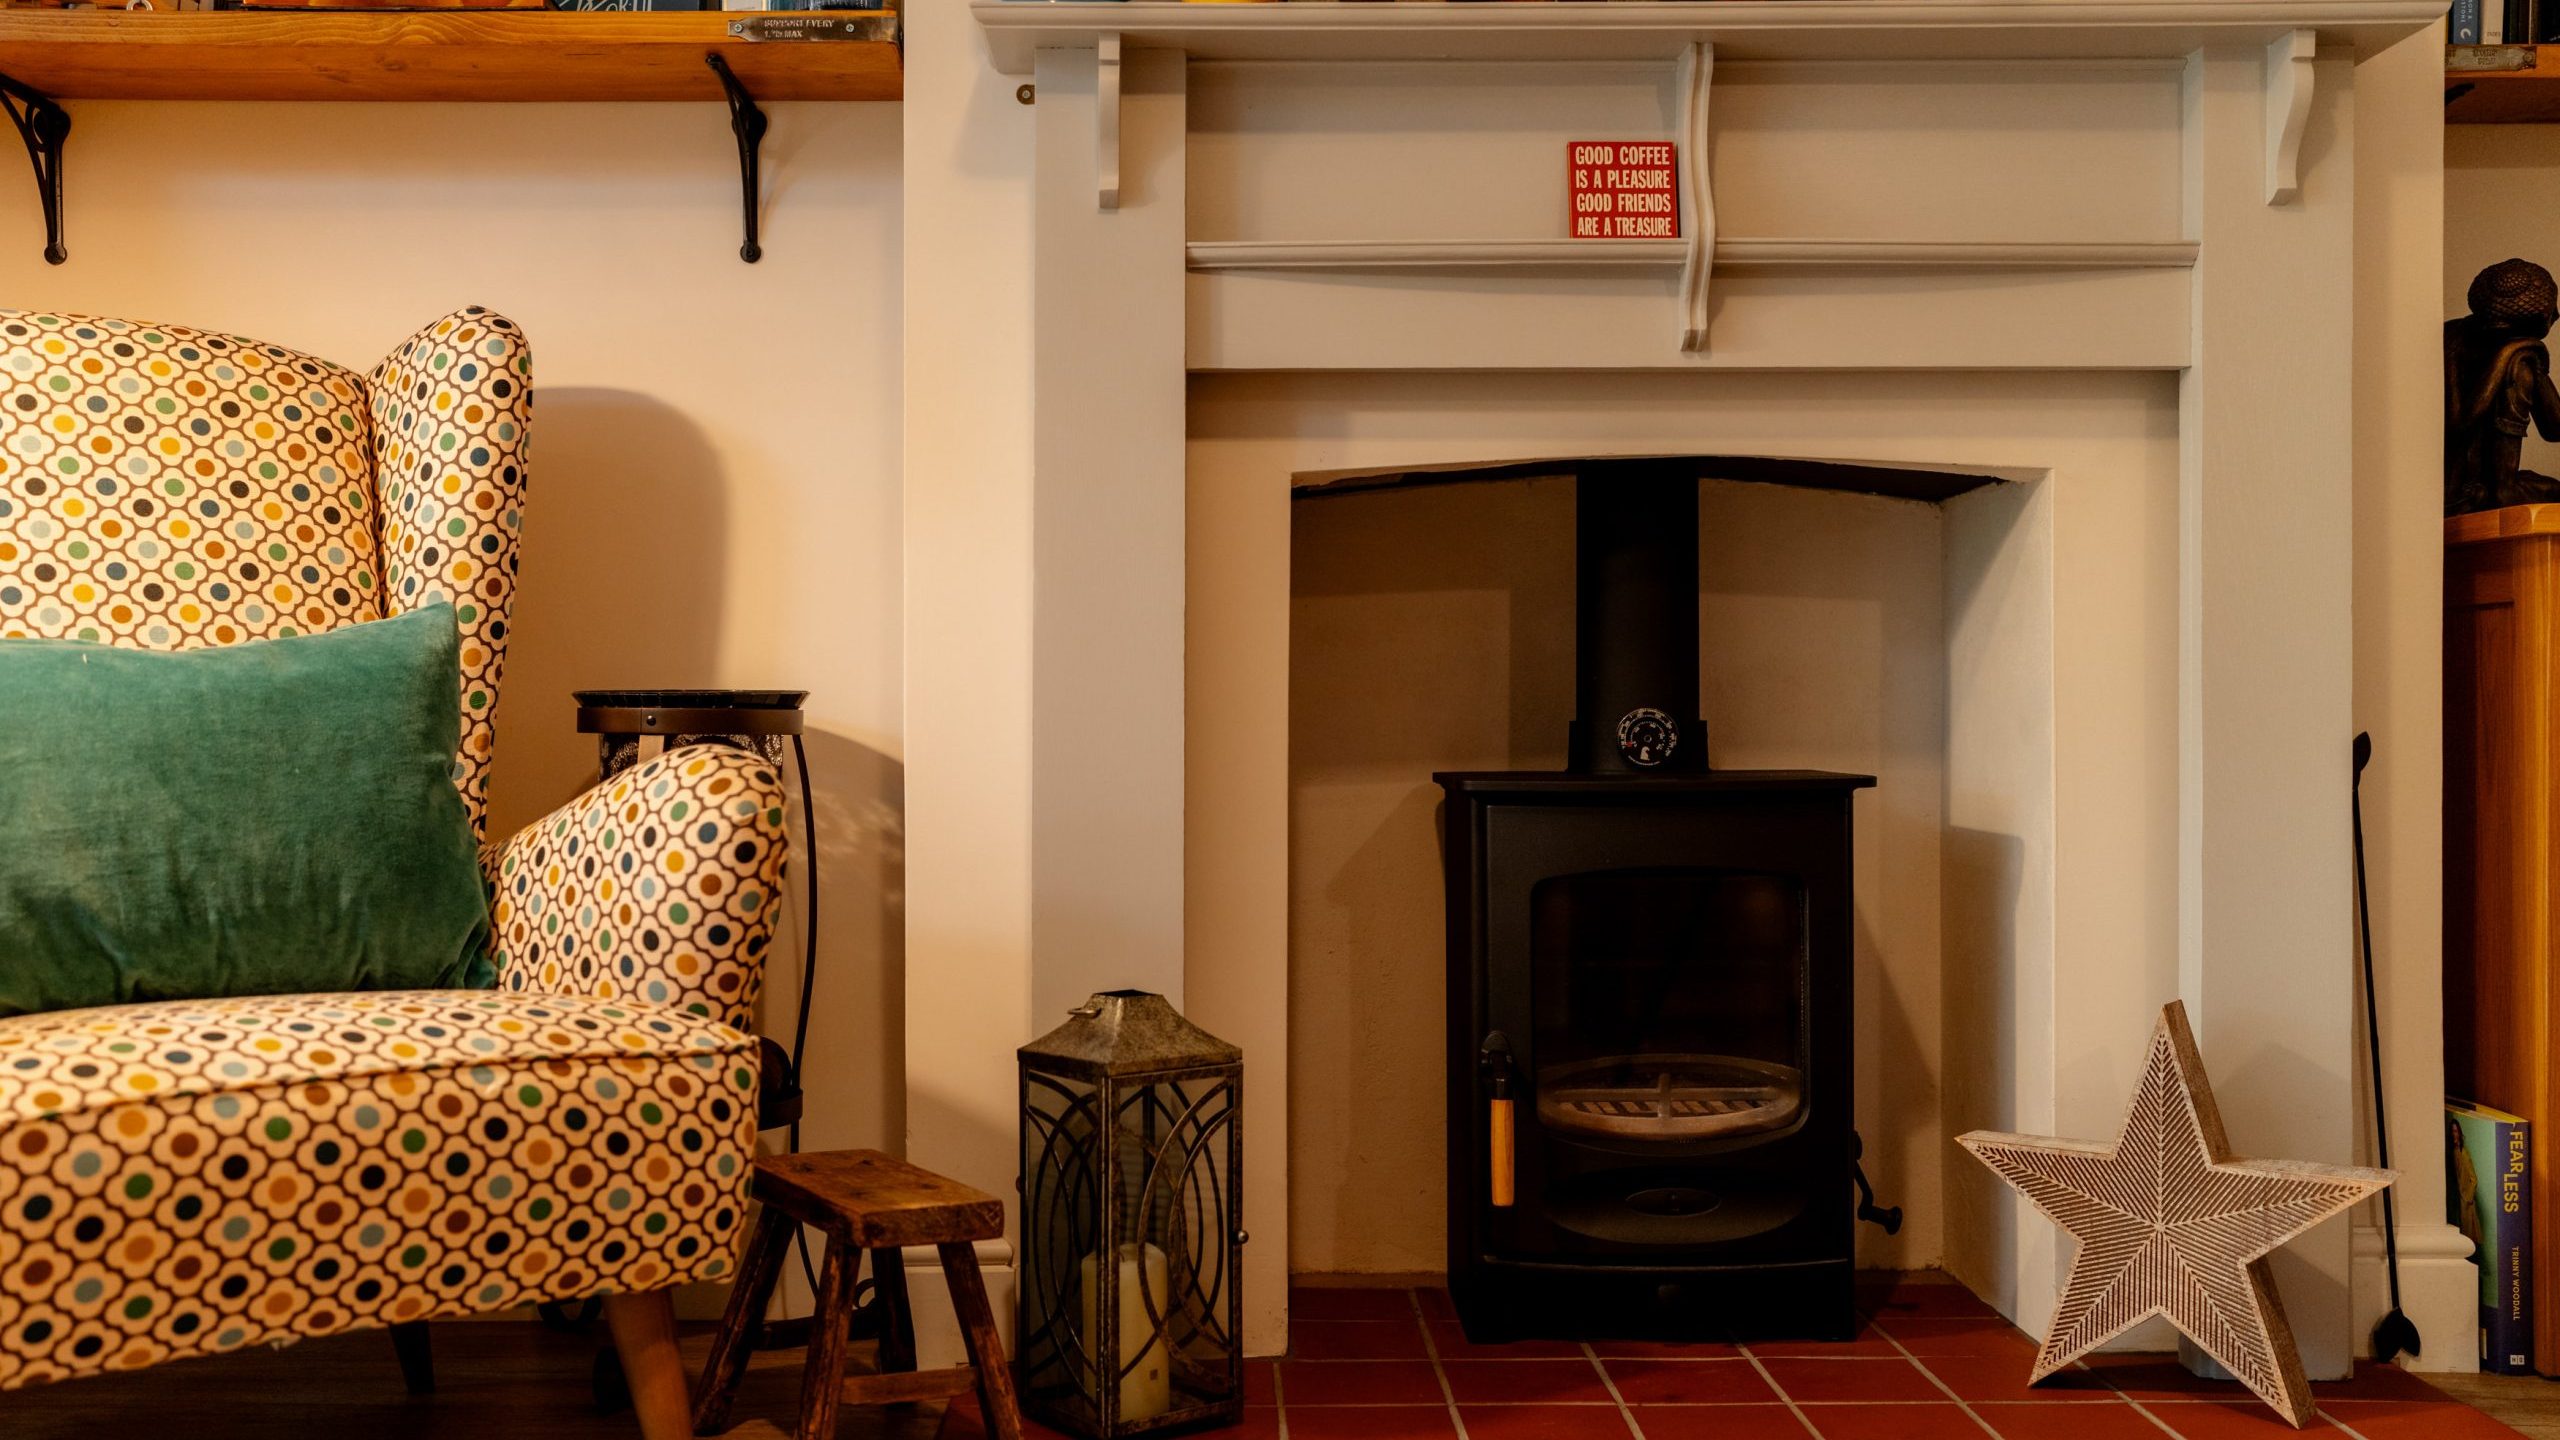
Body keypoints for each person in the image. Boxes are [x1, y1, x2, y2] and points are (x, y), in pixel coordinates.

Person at [2448, 257, 2560, 516]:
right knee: (2517, 371)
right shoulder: (2453, 341)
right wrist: (2508, 354)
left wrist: (2532, 359)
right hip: (2460, 494)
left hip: (2481, 487)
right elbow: (2459, 423)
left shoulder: (2525, 355)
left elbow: (2554, 428)